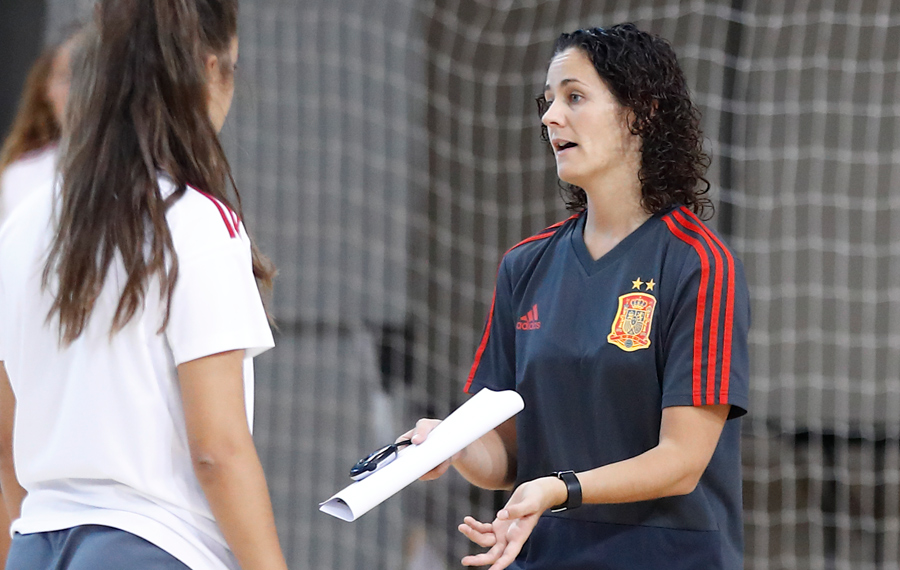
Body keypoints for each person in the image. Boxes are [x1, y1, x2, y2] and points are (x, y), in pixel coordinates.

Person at [406, 24, 750, 569]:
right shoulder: (526, 265)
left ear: (641, 112)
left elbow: (681, 461)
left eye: (574, 97)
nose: (550, 117)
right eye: (548, 102)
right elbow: (509, 456)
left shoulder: (698, 263)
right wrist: (451, 446)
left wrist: (559, 488)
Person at [0, 1, 288, 569]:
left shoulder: (22, 225)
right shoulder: (197, 220)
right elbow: (218, 450)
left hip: (36, 545)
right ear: (209, 71)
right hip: (153, 548)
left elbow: (4, 441)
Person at [0, 30, 79, 227]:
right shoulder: (21, 175)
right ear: (46, 89)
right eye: (66, 77)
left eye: (90, 76)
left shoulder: (140, 173)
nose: (79, 90)